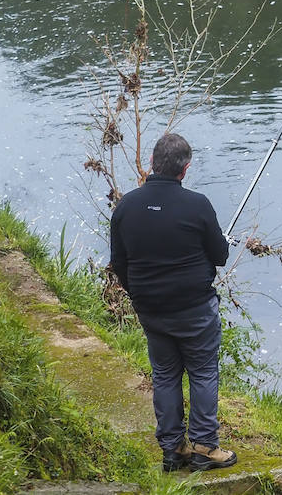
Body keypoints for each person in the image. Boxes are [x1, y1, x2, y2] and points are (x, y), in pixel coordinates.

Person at [109, 132, 237, 473]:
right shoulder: (198, 205)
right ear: (185, 169)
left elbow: (119, 262)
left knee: (165, 375)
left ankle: (173, 449)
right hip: (194, 309)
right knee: (203, 371)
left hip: (151, 309)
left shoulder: (126, 206)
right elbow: (221, 256)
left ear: (152, 163)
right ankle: (205, 448)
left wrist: (138, 295)